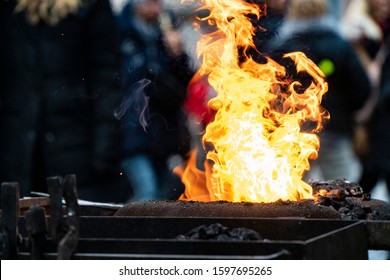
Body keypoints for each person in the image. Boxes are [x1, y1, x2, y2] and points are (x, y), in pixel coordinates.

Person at [0, 0, 127, 202]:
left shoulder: (90, 8)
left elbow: (106, 80)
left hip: (79, 154)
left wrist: (105, 152)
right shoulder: (9, 11)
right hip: (18, 154)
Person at [265, 0, 371, 181]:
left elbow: (269, 92)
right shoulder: (340, 45)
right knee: (346, 188)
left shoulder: (281, 48)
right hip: (335, 131)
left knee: (290, 190)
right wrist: (347, 114)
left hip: (294, 134)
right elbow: (362, 88)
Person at [115, 0, 194, 201]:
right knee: (147, 193)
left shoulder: (168, 32)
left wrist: (178, 56)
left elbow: (185, 85)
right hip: (131, 131)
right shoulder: (119, 33)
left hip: (165, 132)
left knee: (165, 196)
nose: (155, 7)